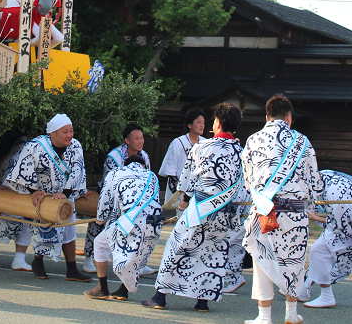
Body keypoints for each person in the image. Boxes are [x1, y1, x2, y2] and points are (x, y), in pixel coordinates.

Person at [143, 103, 245, 312]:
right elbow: (244, 184)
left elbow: (188, 179)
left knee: (177, 247)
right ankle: (202, 301)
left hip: (201, 210)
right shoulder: (241, 152)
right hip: (225, 212)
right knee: (213, 254)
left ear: (217, 123)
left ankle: (160, 296)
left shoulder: (202, 147)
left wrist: (185, 200)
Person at [241, 94, 323, 324]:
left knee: (263, 258)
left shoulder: (253, 140)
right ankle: (291, 314)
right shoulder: (303, 142)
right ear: (289, 117)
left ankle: (264, 316)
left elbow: (248, 180)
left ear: (266, 117)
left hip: (264, 210)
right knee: (293, 261)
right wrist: (311, 206)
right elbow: (314, 182)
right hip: (294, 211)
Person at [6, 113, 91, 282]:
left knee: (69, 231)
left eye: (71, 131)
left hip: (65, 195)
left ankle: (71, 269)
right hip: (43, 196)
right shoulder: (36, 146)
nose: (70, 135)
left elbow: (77, 170)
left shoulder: (75, 146)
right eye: (65, 132)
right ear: (53, 133)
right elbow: (24, 169)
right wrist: (33, 191)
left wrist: (65, 193)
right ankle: (38, 262)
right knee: (43, 229)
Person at [83, 155, 162, 301]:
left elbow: (104, 200)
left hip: (131, 222)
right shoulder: (152, 176)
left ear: (125, 166)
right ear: (143, 166)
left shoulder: (116, 173)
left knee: (99, 243)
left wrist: (100, 220)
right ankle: (123, 290)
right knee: (137, 254)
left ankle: (102, 288)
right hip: (154, 224)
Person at [83, 123, 152, 274]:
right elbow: (110, 183)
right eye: (136, 138)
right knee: (98, 225)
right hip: (110, 195)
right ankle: (89, 258)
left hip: (133, 199)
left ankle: (138, 262)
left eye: (142, 138)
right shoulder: (114, 157)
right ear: (127, 141)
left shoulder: (144, 156)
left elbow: (147, 180)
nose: (140, 141)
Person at [301, 170, 352, 308]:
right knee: (319, 252)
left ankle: (313, 290)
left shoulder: (335, 193)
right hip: (346, 222)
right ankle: (310, 290)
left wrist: (316, 217)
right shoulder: (323, 177)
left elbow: (339, 225)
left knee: (341, 266)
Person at [0, 136, 34, 272]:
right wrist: (7, 183)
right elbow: (15, 161)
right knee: (14, 212)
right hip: (14, 181)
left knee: (30, 218)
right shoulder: (25, 143)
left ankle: (19, 258)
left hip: (32, 184)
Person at [158, 107, 206, 208]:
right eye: (199, 122)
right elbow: (169, 169)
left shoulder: (205, 143)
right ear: (189, 125)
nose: (202, 125)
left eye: (203, 123)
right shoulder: (178, 143)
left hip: (200, 189)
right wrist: (179, 187)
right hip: (181, 189)